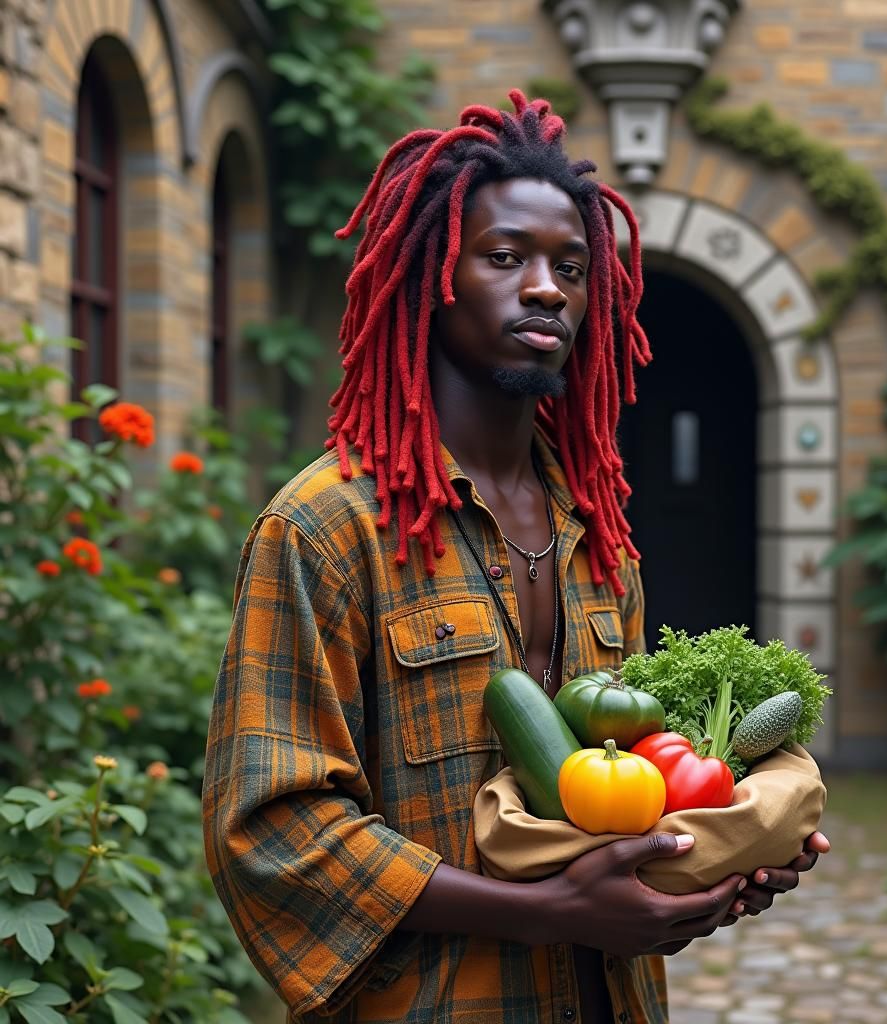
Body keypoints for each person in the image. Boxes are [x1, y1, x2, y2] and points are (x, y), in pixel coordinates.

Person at [202, 90, 829, 1024]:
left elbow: (633, 786)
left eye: (572, 267)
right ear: (431, 280)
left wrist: (716, 861)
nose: (547, 287)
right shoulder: (326, 529)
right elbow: (272, 829)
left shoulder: (600, 536)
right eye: (505, 258)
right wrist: (542, 913)